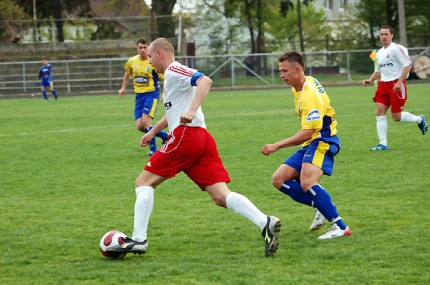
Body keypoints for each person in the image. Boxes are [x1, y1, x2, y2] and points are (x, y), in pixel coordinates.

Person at [112, 38, 281, 257]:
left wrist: (192, 110)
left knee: (143, 182)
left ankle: (139, 239)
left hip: (187, 136)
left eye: (151, 57)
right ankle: (264, 222)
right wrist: (153, 132)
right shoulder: (170, 78)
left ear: (160, 53)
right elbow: (173, 111)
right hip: (202, 138)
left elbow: (205, 81)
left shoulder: (174, 69)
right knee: (220, 196)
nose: (150, 62)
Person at [261, 51, 351, 240]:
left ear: (298, 69)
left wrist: (277, 145)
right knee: (279, 179)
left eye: (285, 71)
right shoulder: (301, 84)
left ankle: (340, 227)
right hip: (313, 141)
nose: (281, 75)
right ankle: (320, 206)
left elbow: (307, 133)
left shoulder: (309, 96)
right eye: (280, 71)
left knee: (307, 182)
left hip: (323, 140)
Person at [362, 25, 427, 151]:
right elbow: (378, 71)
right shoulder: (380, 52)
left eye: (386, 34)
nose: (384, 36)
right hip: (383, 85)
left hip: (396, 85)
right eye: (382, 34)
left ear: (392, 35)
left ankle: (419, 119)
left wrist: (399, 82)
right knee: (379, 112)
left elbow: (407, 65)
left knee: (396, 117)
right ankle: (383, 144)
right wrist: (370, 80)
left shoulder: (396, 49)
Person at [118, 38, 169, 156]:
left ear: (148, 48)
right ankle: (165, 136)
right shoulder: (132, 61)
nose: (142, 50)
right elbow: (127, 74)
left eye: (145, 47)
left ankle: (153, 150)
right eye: (140, 47)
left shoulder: (152, 62)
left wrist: (164, 93)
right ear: (137, 48)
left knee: (146, 121)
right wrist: (123, 88)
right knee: (140, 126)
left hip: (151, 94)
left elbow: (166, 78)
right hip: (139, 96)